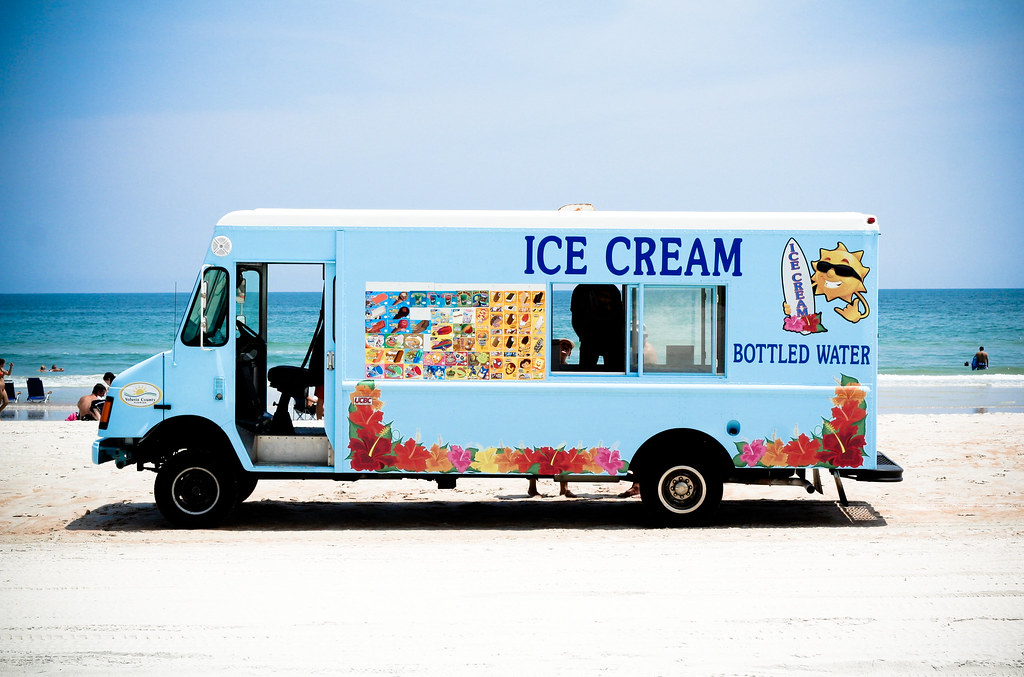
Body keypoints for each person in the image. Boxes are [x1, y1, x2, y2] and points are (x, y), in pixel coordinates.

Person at [528, 340, 577, 498]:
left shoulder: (570, 369)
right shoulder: (545, 367)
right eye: (562, 345)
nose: (564, 348)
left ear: (570, 353)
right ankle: (532, 487)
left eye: (568, 347)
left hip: (562, 412)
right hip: (543, 412)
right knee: (536, 449)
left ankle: (564, 488)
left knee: (563, 451)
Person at [570, 284, 625, 370]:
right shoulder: (612, 288)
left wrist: (584, 337)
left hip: (594, 339)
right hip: (610, 339)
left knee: (586, 374)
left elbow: (575, 319)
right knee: (616, 374)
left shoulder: (580, 289)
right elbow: (621, 318)